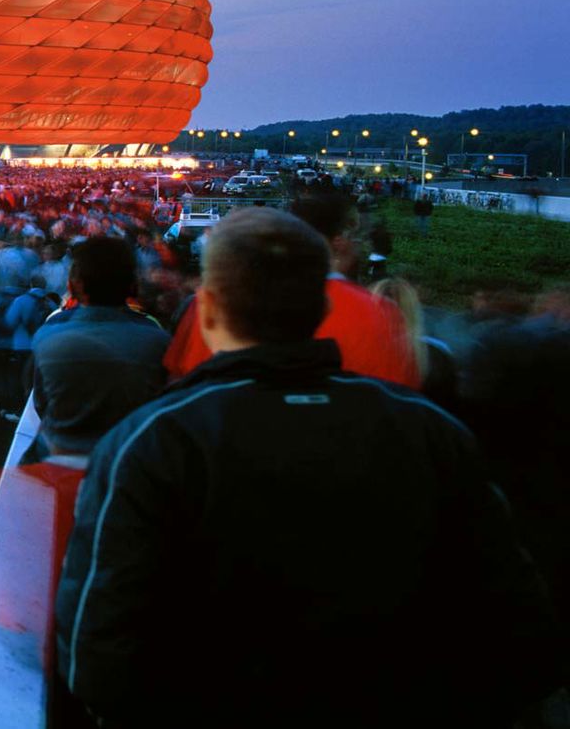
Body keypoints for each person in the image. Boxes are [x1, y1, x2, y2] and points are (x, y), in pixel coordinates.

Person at [54, 208, 560, 727]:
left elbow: (99, 644)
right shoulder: (430, 429)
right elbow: (520, 625)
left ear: (207, 312)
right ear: (320, 306)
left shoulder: (154, 440)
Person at [164, 190, 419, 388]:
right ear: (341, 241)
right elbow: (400, 395)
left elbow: (181, 382)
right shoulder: (379, 312)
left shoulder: (216, 301)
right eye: (358, 239)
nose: (360, 247)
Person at [25, 236, 168, 459]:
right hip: (129, 459)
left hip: (61, 457)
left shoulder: (48, 335)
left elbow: (41, 403)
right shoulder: (157, 341)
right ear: (133, 287)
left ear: (72, 286)